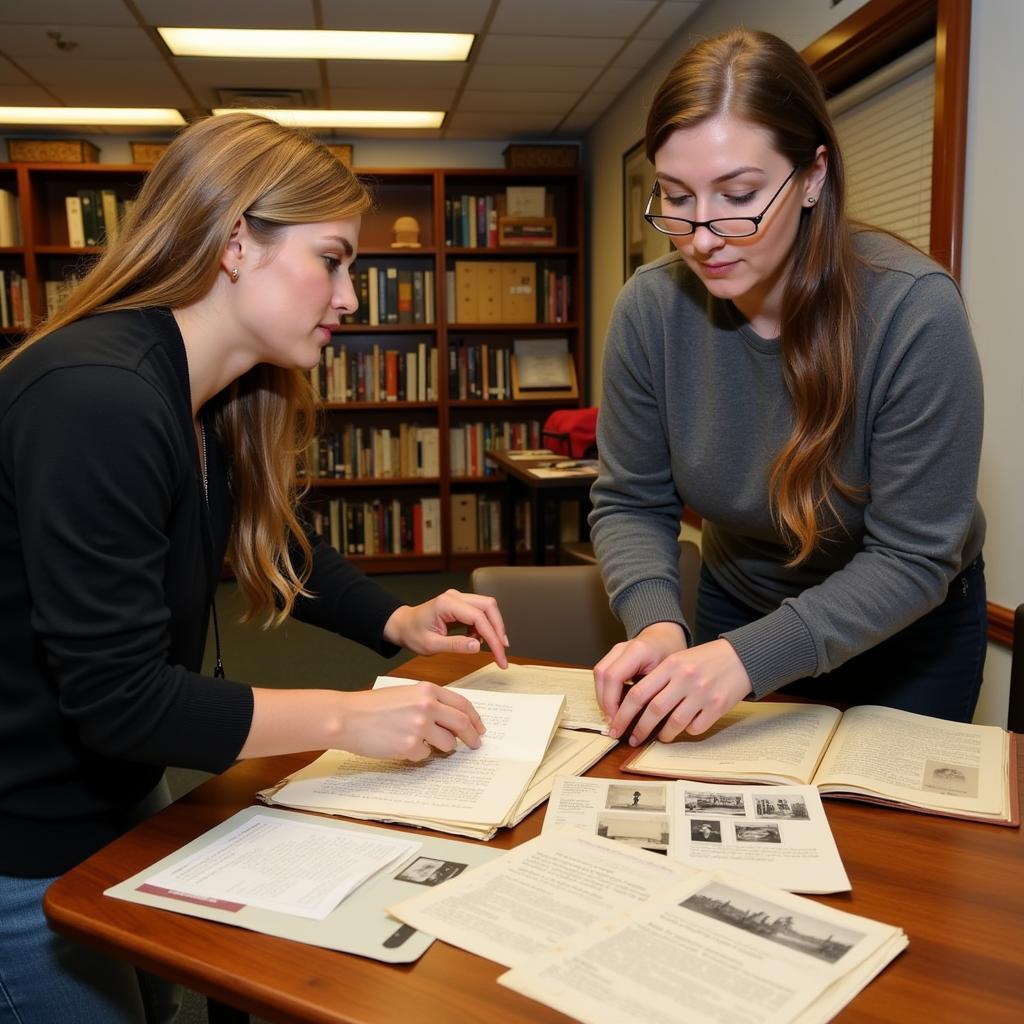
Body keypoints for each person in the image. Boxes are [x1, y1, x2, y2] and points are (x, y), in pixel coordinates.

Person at [0, 112, 509, 1024]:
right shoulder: (96, 397)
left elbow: (267, 539)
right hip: (23, 831)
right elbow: (118, 698)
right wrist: (350, 716)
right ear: (236, 242)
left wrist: (393, 621)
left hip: (122, 788)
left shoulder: (202, 393)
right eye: (333, 259)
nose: (351, 297)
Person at [590, 29, 985, 749]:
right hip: (735, 612)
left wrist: (747, 660)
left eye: (738, 196)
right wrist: (655, 619)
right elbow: (629, 499)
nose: (702, 235)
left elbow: (913, 556)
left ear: (811, 177)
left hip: (908, 639)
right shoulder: (650, 310)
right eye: (677, 198)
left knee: (895, 857)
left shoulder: (913, 310)